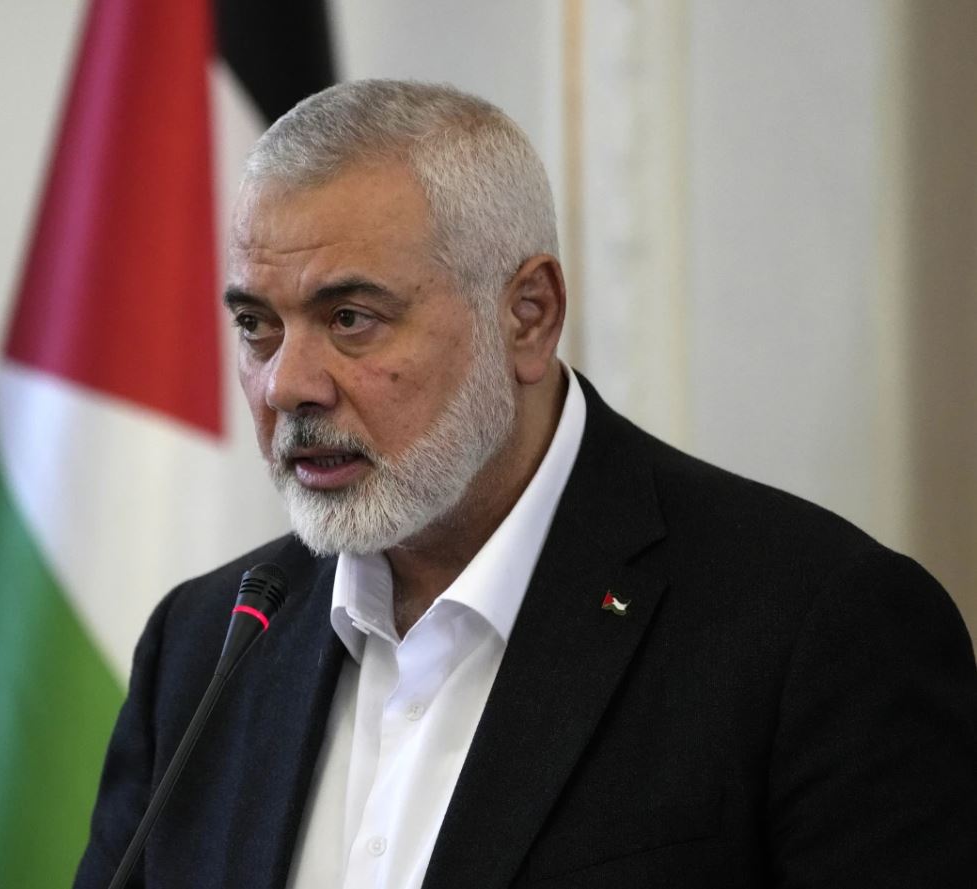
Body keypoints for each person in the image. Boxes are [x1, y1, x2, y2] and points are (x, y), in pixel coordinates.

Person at [74, 80, 977, 889]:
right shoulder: (203, 647)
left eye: (349, 318)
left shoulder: (813, 628)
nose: (286, 385)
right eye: (256, 326)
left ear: (527, 316)